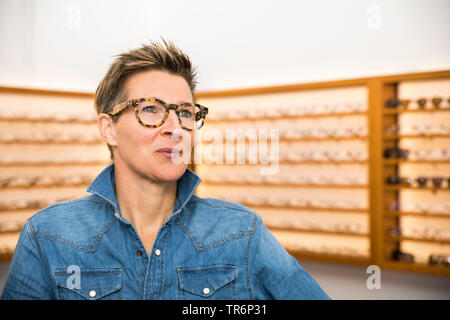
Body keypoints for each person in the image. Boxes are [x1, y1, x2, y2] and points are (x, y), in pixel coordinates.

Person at [1, 39, 330, 300]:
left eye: (185, 113)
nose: (175, 128)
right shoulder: (47, 237)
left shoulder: (241, 234)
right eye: (150, 109)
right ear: (108, 129)